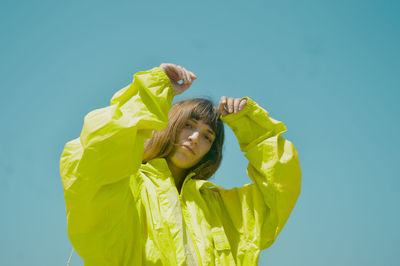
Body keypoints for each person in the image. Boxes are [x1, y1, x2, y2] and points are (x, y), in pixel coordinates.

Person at [60, 63, 301, 265]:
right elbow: (97, 153)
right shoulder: (127, 188)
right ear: (169, 125)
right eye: (189, 125)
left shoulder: (220, 208)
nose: (196, 138)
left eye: (208, 136)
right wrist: (154, 90)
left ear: (211, 151)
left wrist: (253, 128)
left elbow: (279, 191)